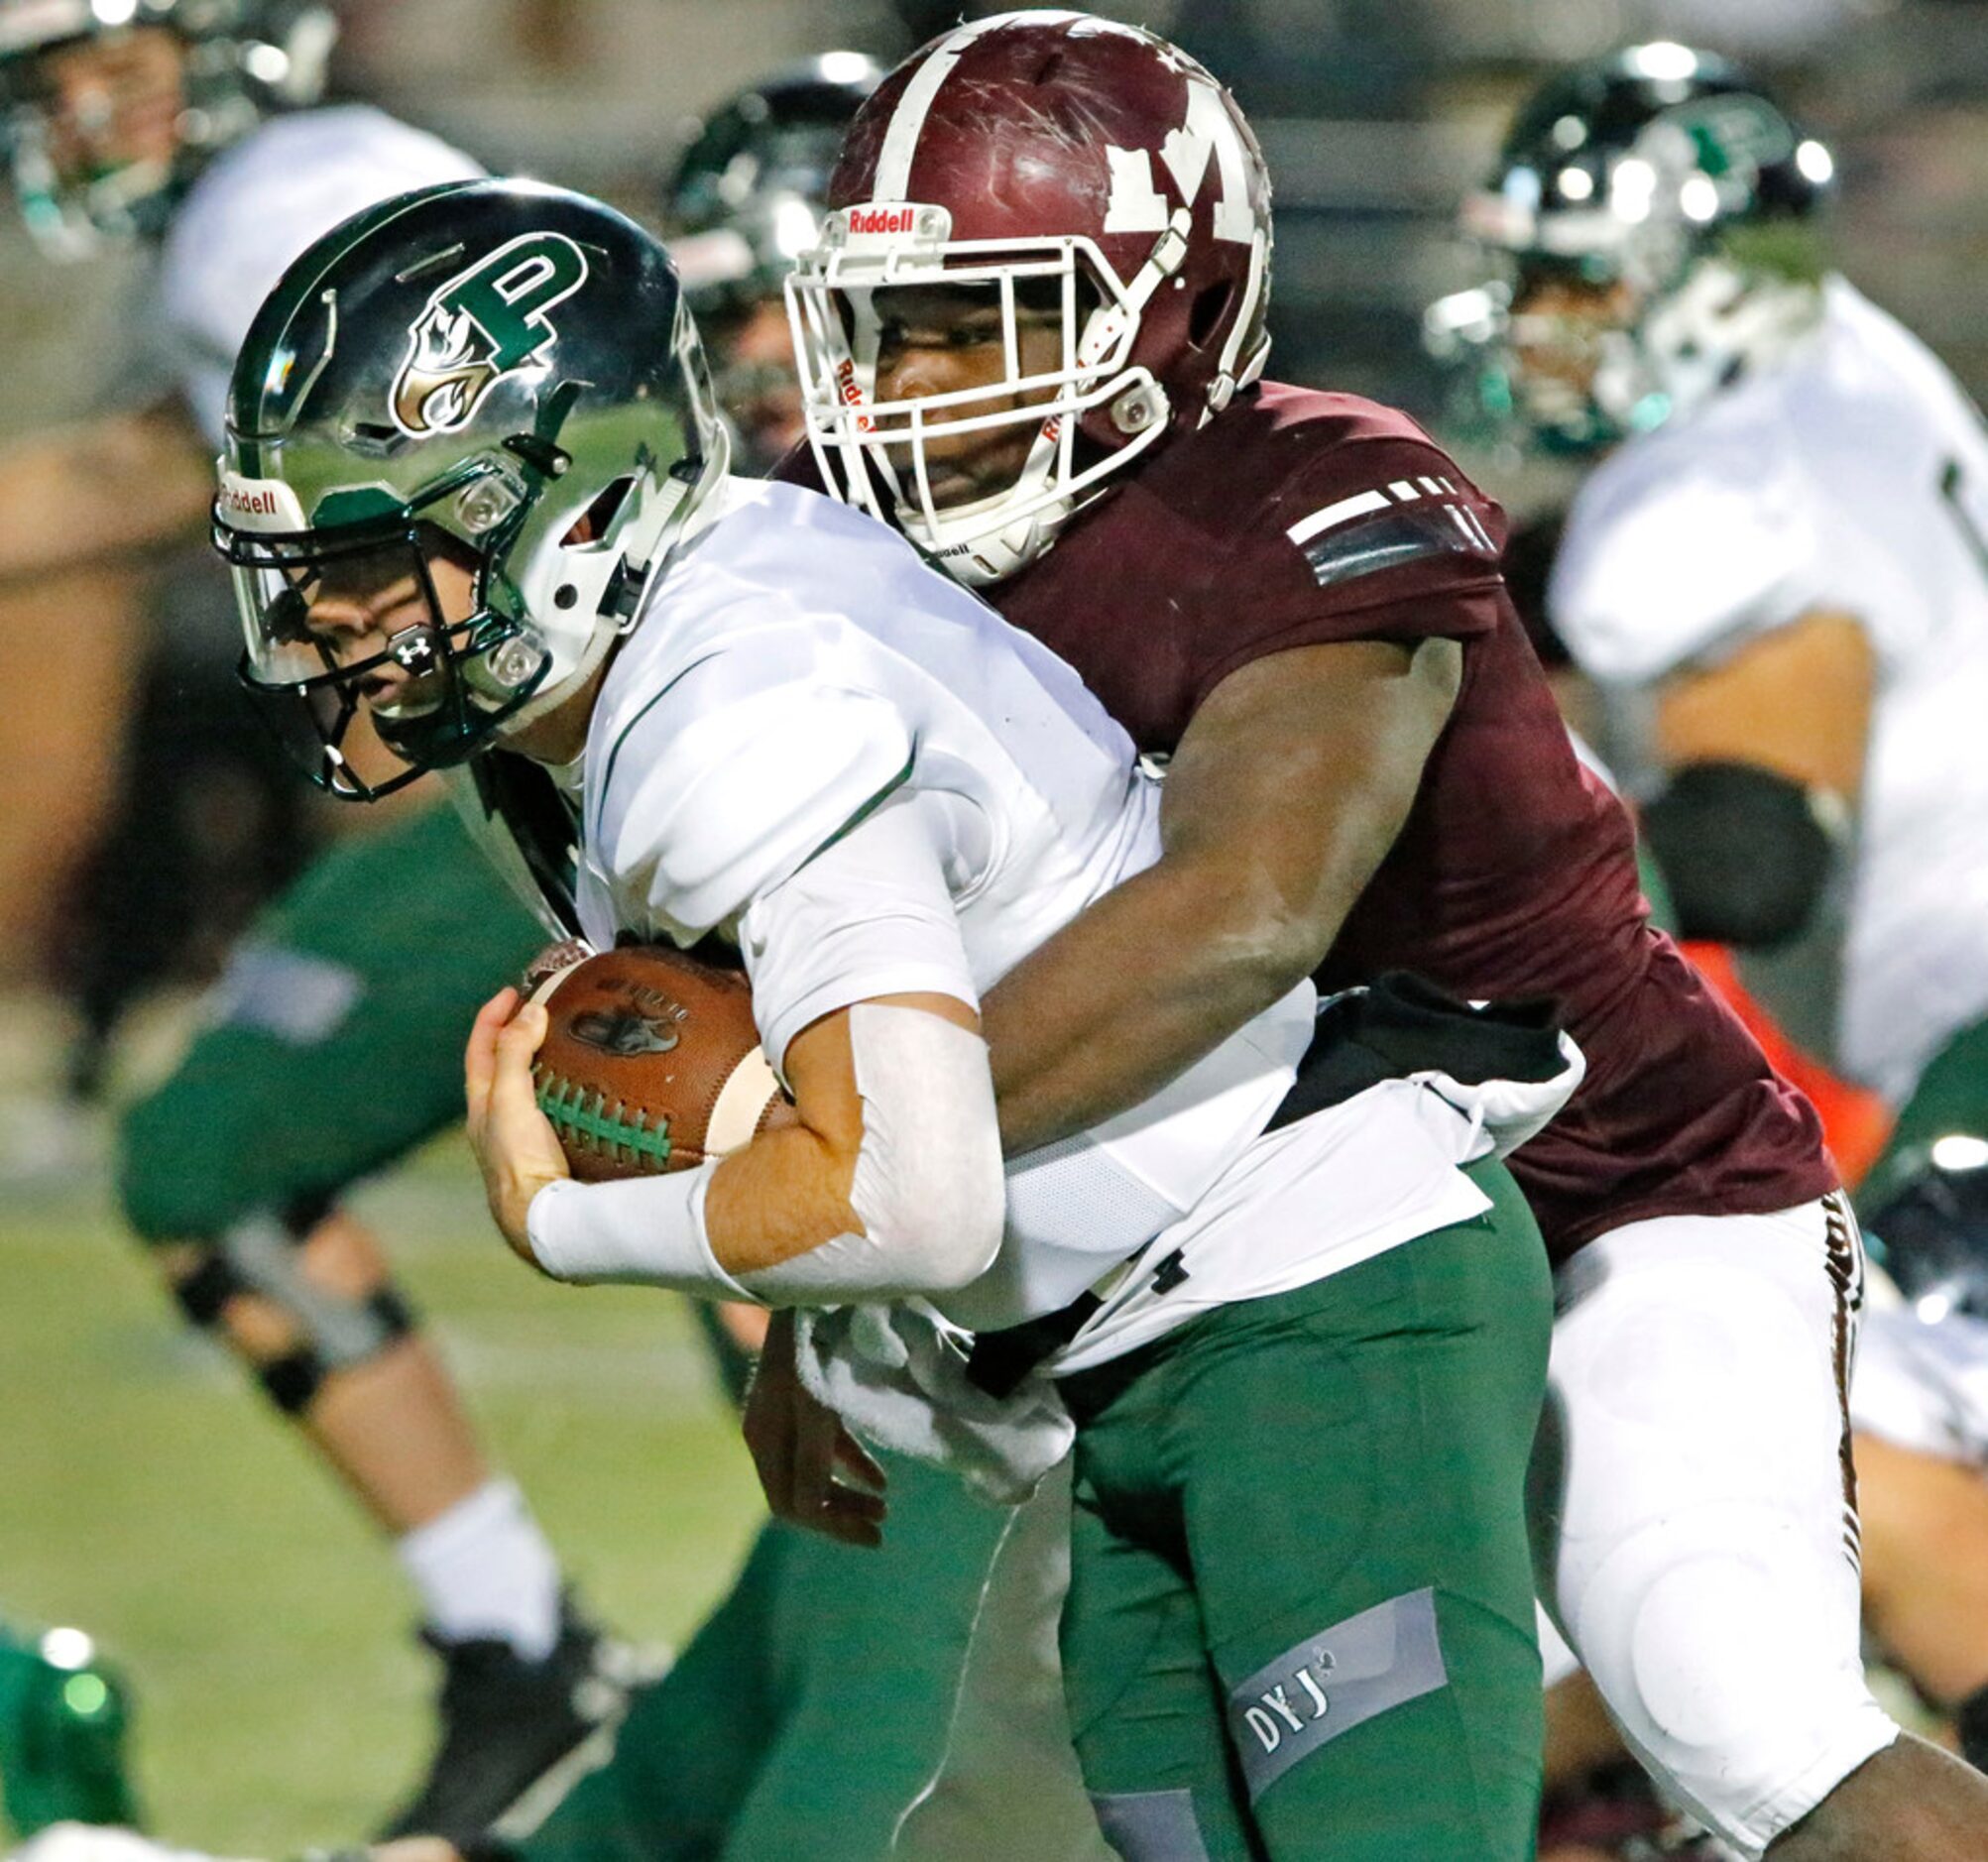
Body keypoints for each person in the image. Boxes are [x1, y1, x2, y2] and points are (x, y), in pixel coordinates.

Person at [212, 173, 1579, 1861]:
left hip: (1315, 1312)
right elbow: (852, 1067)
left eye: (371, 561)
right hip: (1128, 1362)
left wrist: (566, 1219)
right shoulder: (576, 708)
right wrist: (834, 1334)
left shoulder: (736, 707)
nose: (324, 626)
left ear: (565, 514)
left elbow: (901, 1188)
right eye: (301, 571)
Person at [770, 12, 1988, 1858]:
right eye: (886, 330)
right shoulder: (860, 557)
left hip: (1611, 1200)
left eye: (975, 324)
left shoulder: (1316, 501)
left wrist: (839, 1169)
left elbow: (1244, 913)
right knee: (1036, 1819)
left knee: (1740, 1719)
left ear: (1163, 309)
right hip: (1260, 1266)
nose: (910, 391)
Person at [0, 5, 632, 1839]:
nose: (77, 115)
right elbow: (140, 469)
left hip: (596, 779)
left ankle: (648, 1665)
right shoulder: (250, 219)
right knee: (216, 1150)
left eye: (106, 65)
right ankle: (525, 1642)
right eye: (48, 91)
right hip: (539, 777)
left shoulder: (316, 192)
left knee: (749, 1249)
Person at [1462, 42, 1988, 1232]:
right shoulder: (1847, 365)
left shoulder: (1728, 484)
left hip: (1970, 1054)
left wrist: (1484, 891)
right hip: (1956, 1029)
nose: (1537, 323)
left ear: (1710, 285)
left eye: (1576, 284)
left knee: (1876, 1403)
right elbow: (1532, 590)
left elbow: (1754, 856)